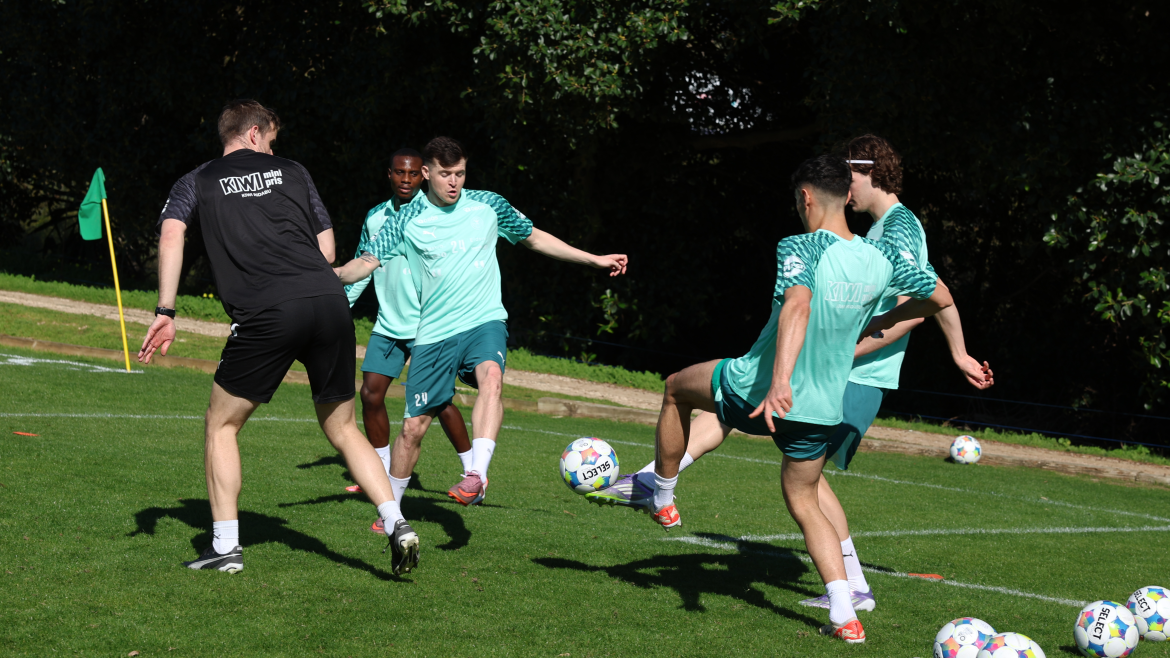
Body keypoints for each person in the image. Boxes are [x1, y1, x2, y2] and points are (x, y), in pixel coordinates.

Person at [589, 134, 994, 613]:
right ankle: (654, 481)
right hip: (829, 366)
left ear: (864, 172)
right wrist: (954, 352)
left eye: (848, 172)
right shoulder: (872, 239)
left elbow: (917, 302)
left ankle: (850, 584)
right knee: (750, 422)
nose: (845, 186)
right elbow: (932, 295)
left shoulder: (894, 228)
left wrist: (863, 339)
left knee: (802, 476)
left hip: (850, 371)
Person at [138, 99, 419, 576]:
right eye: (271, 139)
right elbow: (326, 247)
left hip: (269, 310)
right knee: (343, 428)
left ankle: (225, 547)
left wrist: (166, 310)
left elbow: (171, 235)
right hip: (329, 301)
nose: (272, 149)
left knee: (221, 425)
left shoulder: (196, 181)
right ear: (254, 133)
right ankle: (396, 521)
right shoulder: (293, 171)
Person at [333, 136, 628, 512]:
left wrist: (594, 259)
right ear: (427, 173)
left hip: (483, 319)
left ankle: (476, 474)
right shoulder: (404, 220)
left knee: (492, 377)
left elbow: (534, 238)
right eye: (445, 174)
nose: (454, 182)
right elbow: (362, 266)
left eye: (460, 173)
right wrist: (328, 275)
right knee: (412, 429)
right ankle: (391, 511)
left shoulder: (489, 205)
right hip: (434, 333)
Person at [345, 148, 473, 535]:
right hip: (389, 324)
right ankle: (381, 470)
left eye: (413, 173)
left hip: (429, 325)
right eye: (399, 173)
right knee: (370, 394)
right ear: (389, 174)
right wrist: (340, 306)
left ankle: (473, 473)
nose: (406, 179)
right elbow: (362, 265)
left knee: (438, 401)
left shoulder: (435, 214)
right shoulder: (376, 217)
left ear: (424, 176)